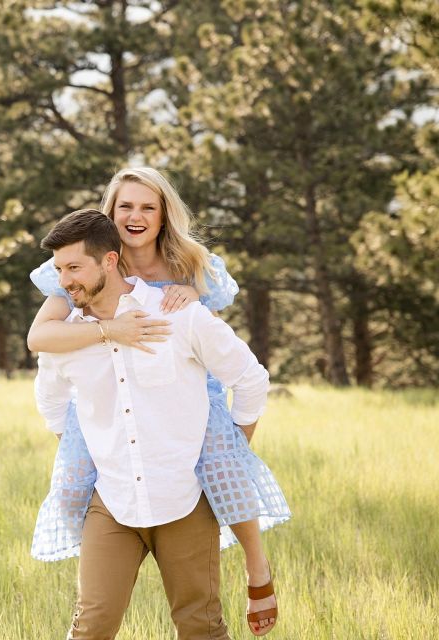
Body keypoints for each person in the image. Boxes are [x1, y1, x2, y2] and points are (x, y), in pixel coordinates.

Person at [28, 167, 289, 636]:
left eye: (148, 207)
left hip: (188, 394)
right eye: (125, 206)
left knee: (227, 466)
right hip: (114, 445)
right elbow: (41, 343)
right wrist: (106, 330)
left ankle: (257, 567)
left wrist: (187, 295)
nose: (136, 216)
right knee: (72, 489)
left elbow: (240, 366)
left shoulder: (183, 271)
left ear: (164, 215)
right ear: (110, 217)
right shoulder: (77, 274)